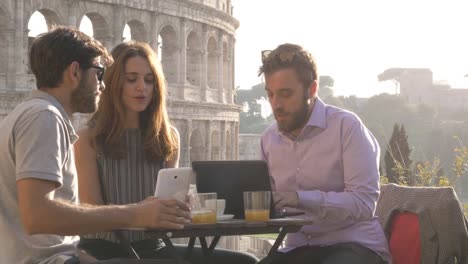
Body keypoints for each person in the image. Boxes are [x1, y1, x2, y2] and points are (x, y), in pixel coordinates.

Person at [0, 26, 191, 264]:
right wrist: (137, 214)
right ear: (75, 72)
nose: (102, 85)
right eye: (99, 74)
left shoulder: (35, 114)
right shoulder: (44, 117)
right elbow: (37, 216)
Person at [74, 41, 258, 264]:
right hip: (103, 251)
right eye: (132, 79)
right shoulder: (87, 138)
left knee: (245, 261)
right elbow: (91, 211)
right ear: (114, 83)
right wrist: (140, 213)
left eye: (149, 80)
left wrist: (181, 206)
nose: (142, 87)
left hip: (154, 246)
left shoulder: (168, 136)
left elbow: (168, 206)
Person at [258, 43, 392, 264]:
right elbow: (268, 204)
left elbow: (363, 204)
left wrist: (301, 199)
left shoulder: (346, 127)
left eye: (285, 94)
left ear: (311, 89)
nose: (276, 104)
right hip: (297, 248)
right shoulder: (268, 139)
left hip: (355, 245)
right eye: (270, 95)